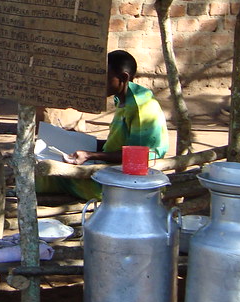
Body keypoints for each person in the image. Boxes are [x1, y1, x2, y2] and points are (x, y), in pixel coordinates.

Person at [38, 50, 169, 201]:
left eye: (104, 78)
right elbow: (120, 145)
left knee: (52, 176)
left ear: (123, 78)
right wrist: (77, 139)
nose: (98, 84)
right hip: (118, 169)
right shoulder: (123, 100)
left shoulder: (141, 109)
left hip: (132, 184)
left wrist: (90, 155)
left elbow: (138, 158)